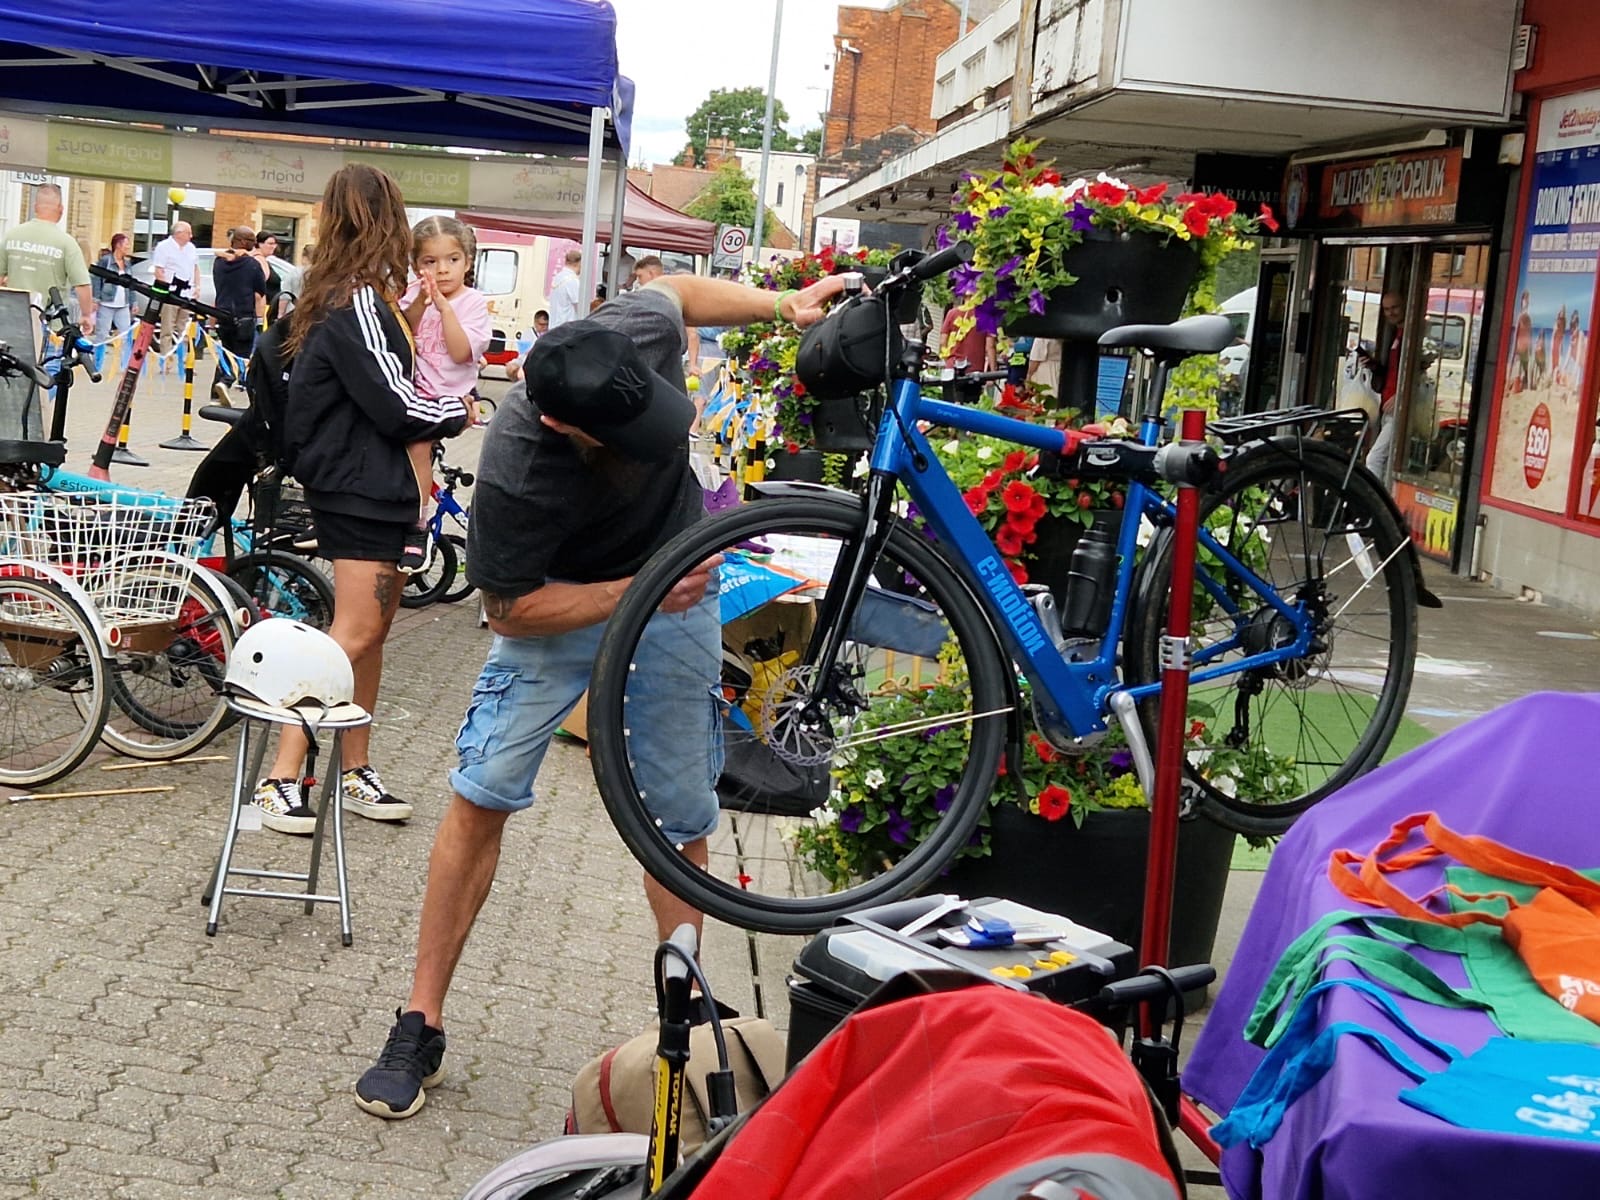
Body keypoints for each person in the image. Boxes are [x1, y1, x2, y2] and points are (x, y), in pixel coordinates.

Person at [352, 266, 848, 1121]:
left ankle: (687, 1005)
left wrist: (784, 306)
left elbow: (678, 292)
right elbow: (508, 609)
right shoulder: (517, 466)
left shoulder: (630, 337)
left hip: (676, 593)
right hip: (558, 608)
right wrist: (633, 589)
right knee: (482, 791)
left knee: (681, 810)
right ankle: (420, 1019)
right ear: (562, 425)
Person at [253, 164, 469, 836]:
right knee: (354, 633)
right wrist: (457, 410)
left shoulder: (350, 295)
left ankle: (355, 769)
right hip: (359, 483)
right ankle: (281, 775)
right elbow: (396, 402)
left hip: (365, 481)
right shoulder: (356, 301)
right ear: (387, 221)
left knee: (369, 635)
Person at [399, 215, 492, 571]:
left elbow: (458, 351)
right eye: (430, 262)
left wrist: (444, 308)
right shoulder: (412, 295)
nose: (442, 270)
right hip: (415, 392)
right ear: (415, 265)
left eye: (452, 260)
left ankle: (417, 525)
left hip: (449, 398)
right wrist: (422, 302)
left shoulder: (472, 303)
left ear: (467, 262)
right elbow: (403, 334)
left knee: (418, 446)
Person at [0, 183, 94, 335]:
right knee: (50, 359)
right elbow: (82, 284)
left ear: (35, 207)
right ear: (61, 209)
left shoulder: (12, 236)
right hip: (50, 325)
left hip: (14, 320)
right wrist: (86, 315)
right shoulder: (66, 243)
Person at [211, 227, 267, 402]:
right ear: (243, 242)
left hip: (222, 313)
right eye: (251, 240)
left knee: (225, 351)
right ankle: (226, 381)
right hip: (243, 315)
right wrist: (259, 320)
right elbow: (259, 293)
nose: (254, 243)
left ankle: (216, 392)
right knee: (241, 355)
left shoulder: (219, 263)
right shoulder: (252, 265)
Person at [1359, 291, 1405, 481]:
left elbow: (1418, 375)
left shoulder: (1411, 336)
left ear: (1404, 305)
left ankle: (1374, 505)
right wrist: (1373, 365)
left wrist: (1401, 396)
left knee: (1375, 458)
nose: (1391, 313)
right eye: (1387, 309)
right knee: (1385, 462)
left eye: (1394, 307)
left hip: (1399, 408)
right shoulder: (1398, 334)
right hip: (1388, 406)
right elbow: (1393, 372)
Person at [151, 220, 199, 352]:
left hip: (186, 295)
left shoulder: (191, 248)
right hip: (170, 294)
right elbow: (159, 271)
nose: (191, 236)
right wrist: (164, 291)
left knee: (183, 329)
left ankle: (181, 358)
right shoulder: (163, 247)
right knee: (167, 328)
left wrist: (197, 287)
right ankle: (166, 358)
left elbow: (195, 268)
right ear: (179, 233)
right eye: (188, 233)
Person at [92, 233, 134, 343]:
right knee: (102, 335)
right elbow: (97, 279)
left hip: (123, 305)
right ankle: (97, 360)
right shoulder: (106, 261)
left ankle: (125, 360)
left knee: (126, 335)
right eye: (126, 244)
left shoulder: (127, 263)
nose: (128, 247)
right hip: (106, 303)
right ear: (118, 245)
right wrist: (96, 299)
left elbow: (131, 284)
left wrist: (134, 302)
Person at [253, 232, 287, 325]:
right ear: (259, 244)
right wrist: (260, 317)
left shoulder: (262, 260)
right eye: (270, 243)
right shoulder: (259, 260)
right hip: (264, 310)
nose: (274, 246)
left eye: (274, 244)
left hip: (268, 309)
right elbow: (260, 290)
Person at [548, 248, 583, 327]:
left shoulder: (558, 277)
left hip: (554, 324)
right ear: (578, 263)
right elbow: (580, 305)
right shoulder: (572, 280)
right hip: (567, 327)